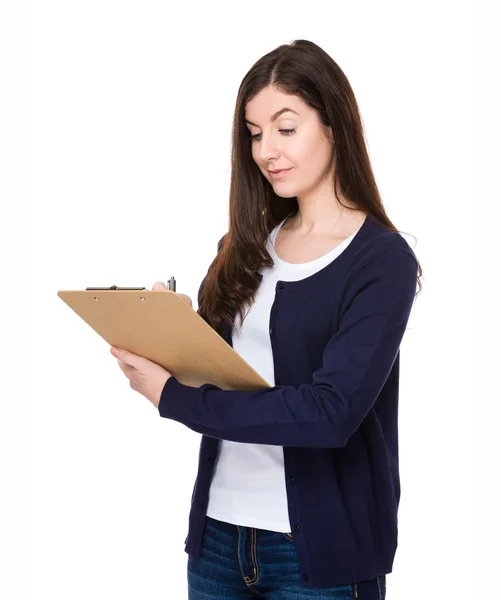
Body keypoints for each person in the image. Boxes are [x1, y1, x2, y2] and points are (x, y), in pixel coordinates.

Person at [158, 39, 422, 599]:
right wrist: (168, 330)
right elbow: (220, 369)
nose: (265, 150)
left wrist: (171, 398)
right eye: (254, 134)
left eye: (285, 127)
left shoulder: (381, 261)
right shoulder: (245, 245)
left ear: (334, 125)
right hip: (218, 542)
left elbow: (329, 413)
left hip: (317, 556)